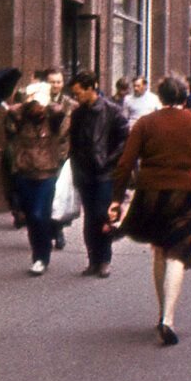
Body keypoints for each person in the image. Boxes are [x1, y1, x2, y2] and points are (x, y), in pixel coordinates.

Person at [109, 74, 191, 346]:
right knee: (177, 254)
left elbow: (125, 163)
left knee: (159, 250)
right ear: (184, 97)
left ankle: (161, 311)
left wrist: (116, 198)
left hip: (151, 193)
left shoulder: (145, 123)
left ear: (160, 97)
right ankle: (168, 319)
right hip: (186, 193)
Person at [68, 70, 129, 278]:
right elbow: (74, 144)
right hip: (85, 173)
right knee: (89, 218)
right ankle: (93, 259)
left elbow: (124, 139)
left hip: (105, 173)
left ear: (91, 88)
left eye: (78, 93)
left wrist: (109, 160)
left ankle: (104, 260)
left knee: (102, 216)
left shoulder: (112, 111)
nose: (76, 97)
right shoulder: (77, 114)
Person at [5, 87, 71, 275]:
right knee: (32, 219)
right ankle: (39, 253)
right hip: (24, 172)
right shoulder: (20, 119)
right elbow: (11, 117)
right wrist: (26, 103)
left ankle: (42, 257)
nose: (37, 110)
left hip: (47, 174)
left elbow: (60, 112)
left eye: (40, 105)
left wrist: (46, 101)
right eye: (34, 105)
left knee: (38, 214)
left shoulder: (52, 119)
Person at [44, 68, 77, 251]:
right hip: (42, 156)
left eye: (58, 81)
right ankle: (48, 231)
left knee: (58, 196)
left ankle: (57, 231)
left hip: (63, 156)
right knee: (46, 195)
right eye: (52, 81)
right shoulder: (39, 102)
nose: (55, 85)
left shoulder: (70, 105)